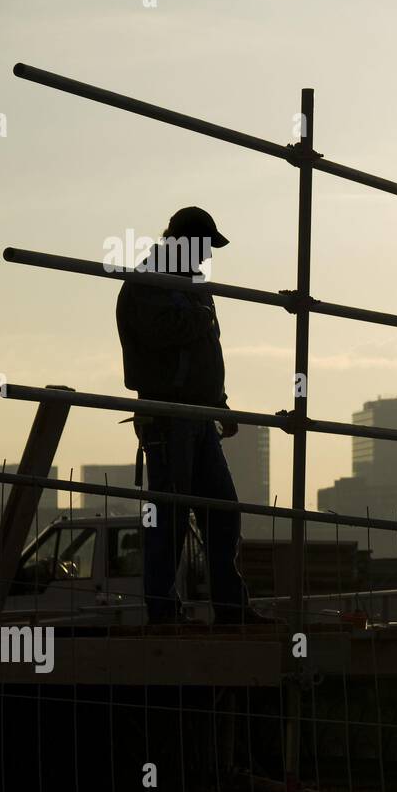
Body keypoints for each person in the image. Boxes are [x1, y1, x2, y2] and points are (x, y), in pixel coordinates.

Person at [115, 206, 270, 626]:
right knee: (169, 515)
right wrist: (198, 315)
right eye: (204, 247)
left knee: (221, 511)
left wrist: (219, 403)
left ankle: (231, 609)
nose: (207, 258)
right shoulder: (148, 282)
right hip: (167, 412)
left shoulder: (190, 285)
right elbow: (162, 334)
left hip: (198, 414)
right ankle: (164, 612)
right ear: (184, 243)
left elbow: (205, 354)